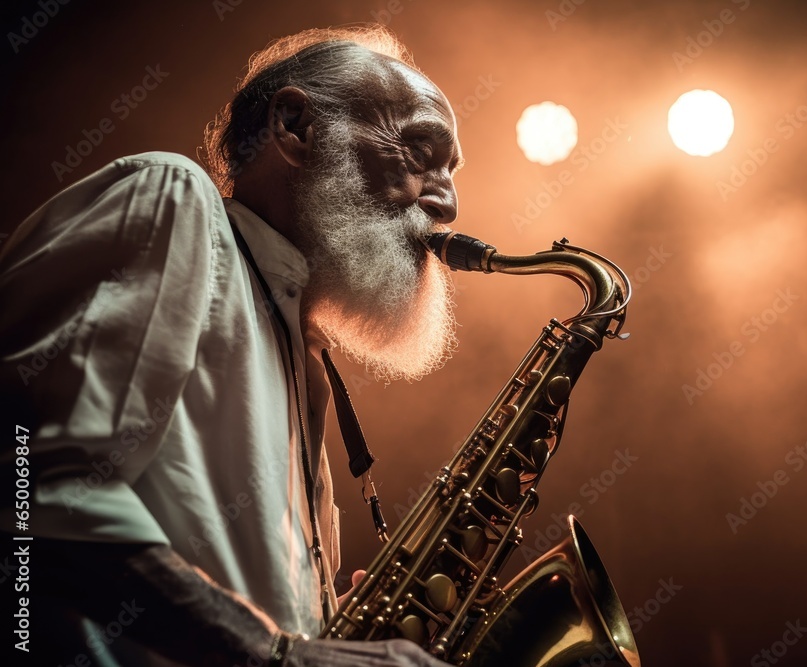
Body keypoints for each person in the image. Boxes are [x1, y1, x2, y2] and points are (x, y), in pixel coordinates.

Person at [0, 25, 464, 667]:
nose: (449, 204)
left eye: (451, 170)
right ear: (295, 126)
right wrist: (280, 656)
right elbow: (27, 493)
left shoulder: (305, 358)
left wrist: (328, 636)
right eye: (420, 151)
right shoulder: (173, 198)